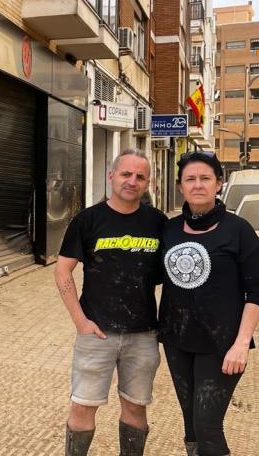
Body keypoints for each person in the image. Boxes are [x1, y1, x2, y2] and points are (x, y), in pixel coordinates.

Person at [55, 150, 167, 456]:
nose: (132, 181)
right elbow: (63, 269)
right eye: (125, 174)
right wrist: (80, 321)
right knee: (82, 408)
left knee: (136, 409)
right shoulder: (88, 220)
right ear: (111, 176)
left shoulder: (158, 223)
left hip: (143, 334)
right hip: (96, 332)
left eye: (139, 177)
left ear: (148, 183)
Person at [158, 151, 259, 456]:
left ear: (219, 183)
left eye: (205, 178)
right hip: (177, 340)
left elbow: (256, 293)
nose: (198, 185)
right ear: (180, 186)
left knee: (207, 423)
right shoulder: (169, 228)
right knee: (191, 422)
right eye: (190, 179)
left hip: (222, 344)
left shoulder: (239, 230)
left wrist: (242, 344)